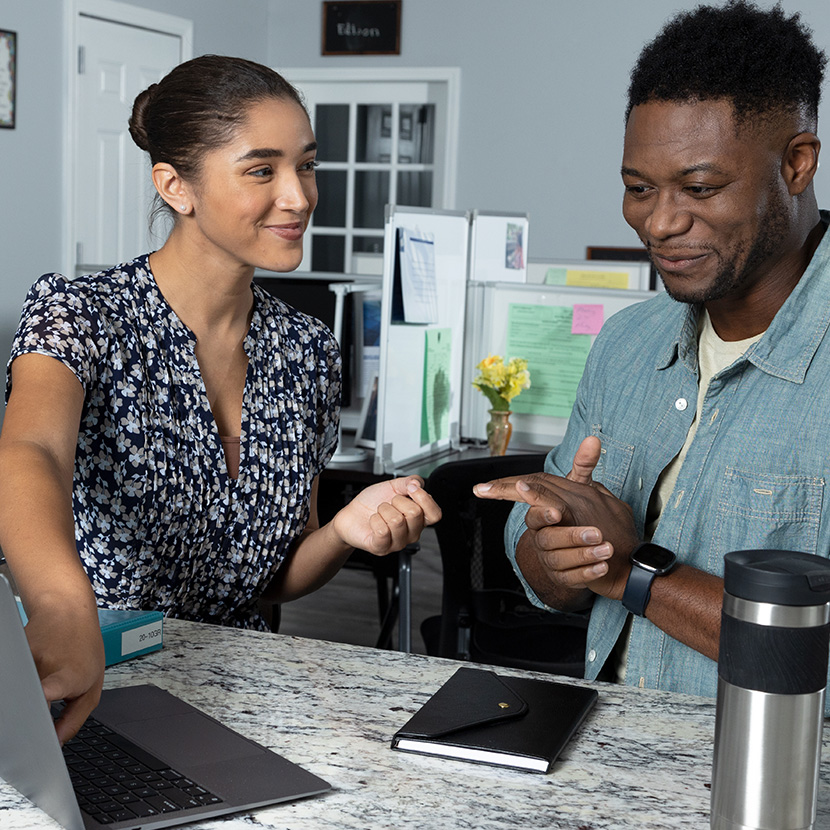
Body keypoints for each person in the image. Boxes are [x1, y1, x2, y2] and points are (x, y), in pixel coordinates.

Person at [0, 55, 440, 743]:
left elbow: (272, 576)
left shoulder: (307, 351)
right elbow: (30, 450)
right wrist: (60, 605)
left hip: (247, 697)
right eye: (262, 170)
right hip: (89, 689)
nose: (298, 197)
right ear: (177, 186)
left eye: (306, 166)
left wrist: (345, 531)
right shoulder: (81, 314)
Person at [475, 1, 830, 701]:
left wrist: (633, 569)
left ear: (795, 163)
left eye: (700, 188)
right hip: (606, 761)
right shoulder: (627, 344)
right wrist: (557, 553)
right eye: (639, 189)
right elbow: (542, 569)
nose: (660, 223)